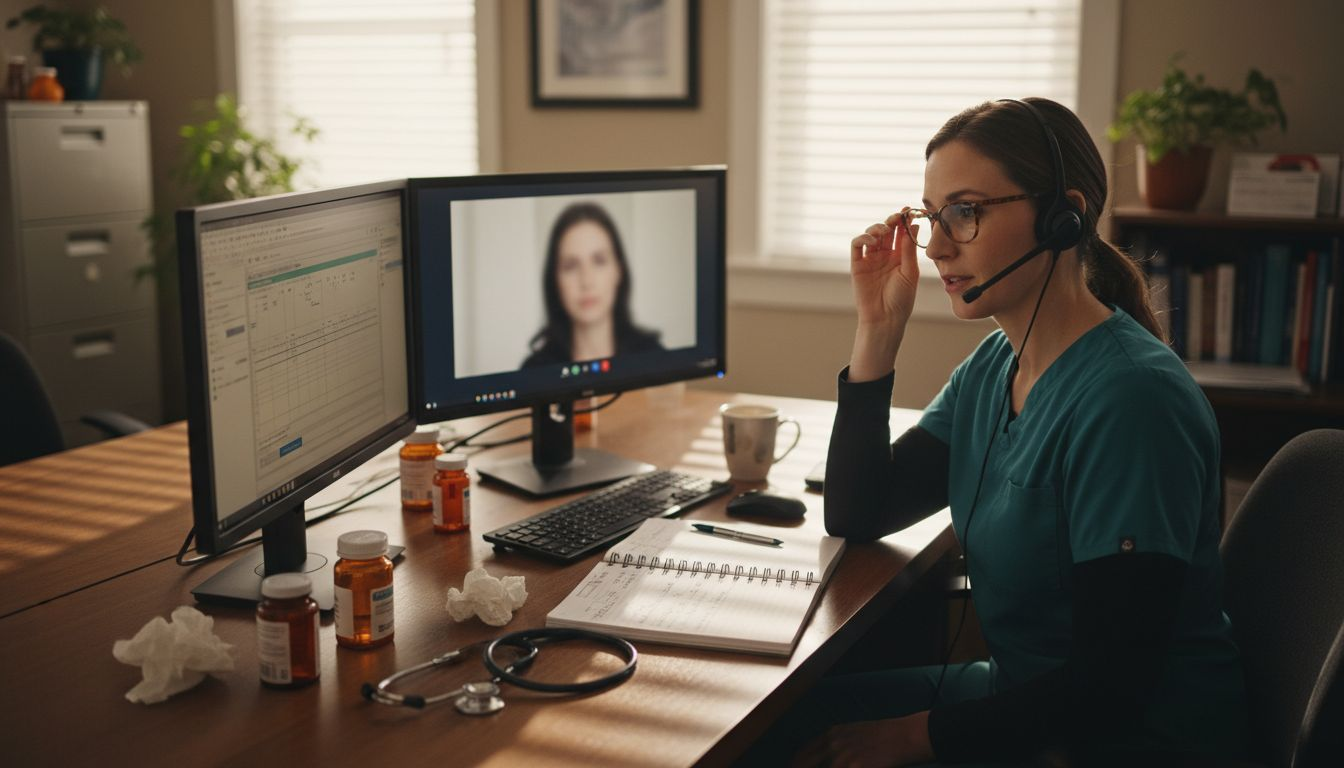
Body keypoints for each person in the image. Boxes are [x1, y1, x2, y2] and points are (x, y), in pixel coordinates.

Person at [785, 98, 1248, 766]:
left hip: (1127, 742)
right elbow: (861, 511)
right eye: (931, 217)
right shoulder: (997, 365)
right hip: (1024, 702)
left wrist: (916, 736)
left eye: (966, 213)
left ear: (1065, 216)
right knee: (776, 728)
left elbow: (1111, 690)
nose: (939, 246)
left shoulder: (1132, 402)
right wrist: (878, 331)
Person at [521, 202, 663, 367]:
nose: (586, 281)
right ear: (555, 279)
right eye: (570, 266)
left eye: (599, 261)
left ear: (619, 271)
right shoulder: (533, 371)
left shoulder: (655, 358)